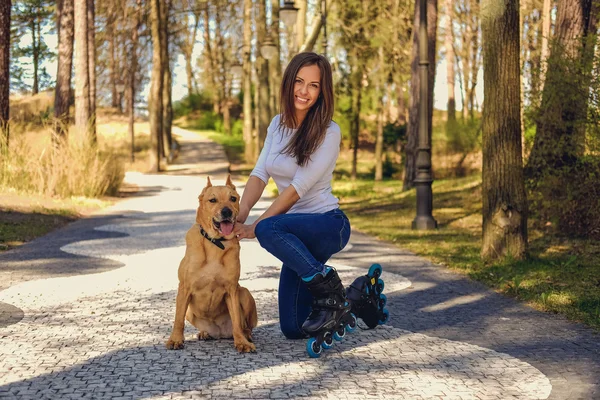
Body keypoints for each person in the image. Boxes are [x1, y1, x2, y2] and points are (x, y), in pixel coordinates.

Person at [233, 52, 352, 340]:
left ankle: (330, 290)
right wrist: (239, 217)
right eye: (299, 81)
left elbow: (298, 189)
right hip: (296, 235)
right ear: (289, 83)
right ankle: (349, 302)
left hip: (326, 225)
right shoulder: (277, 124)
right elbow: (260, 174)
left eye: (313, 85)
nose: (304, 91)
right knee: (293, 327)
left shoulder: (328, 131)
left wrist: (255, 227)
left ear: (323, 91)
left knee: (268, 227)